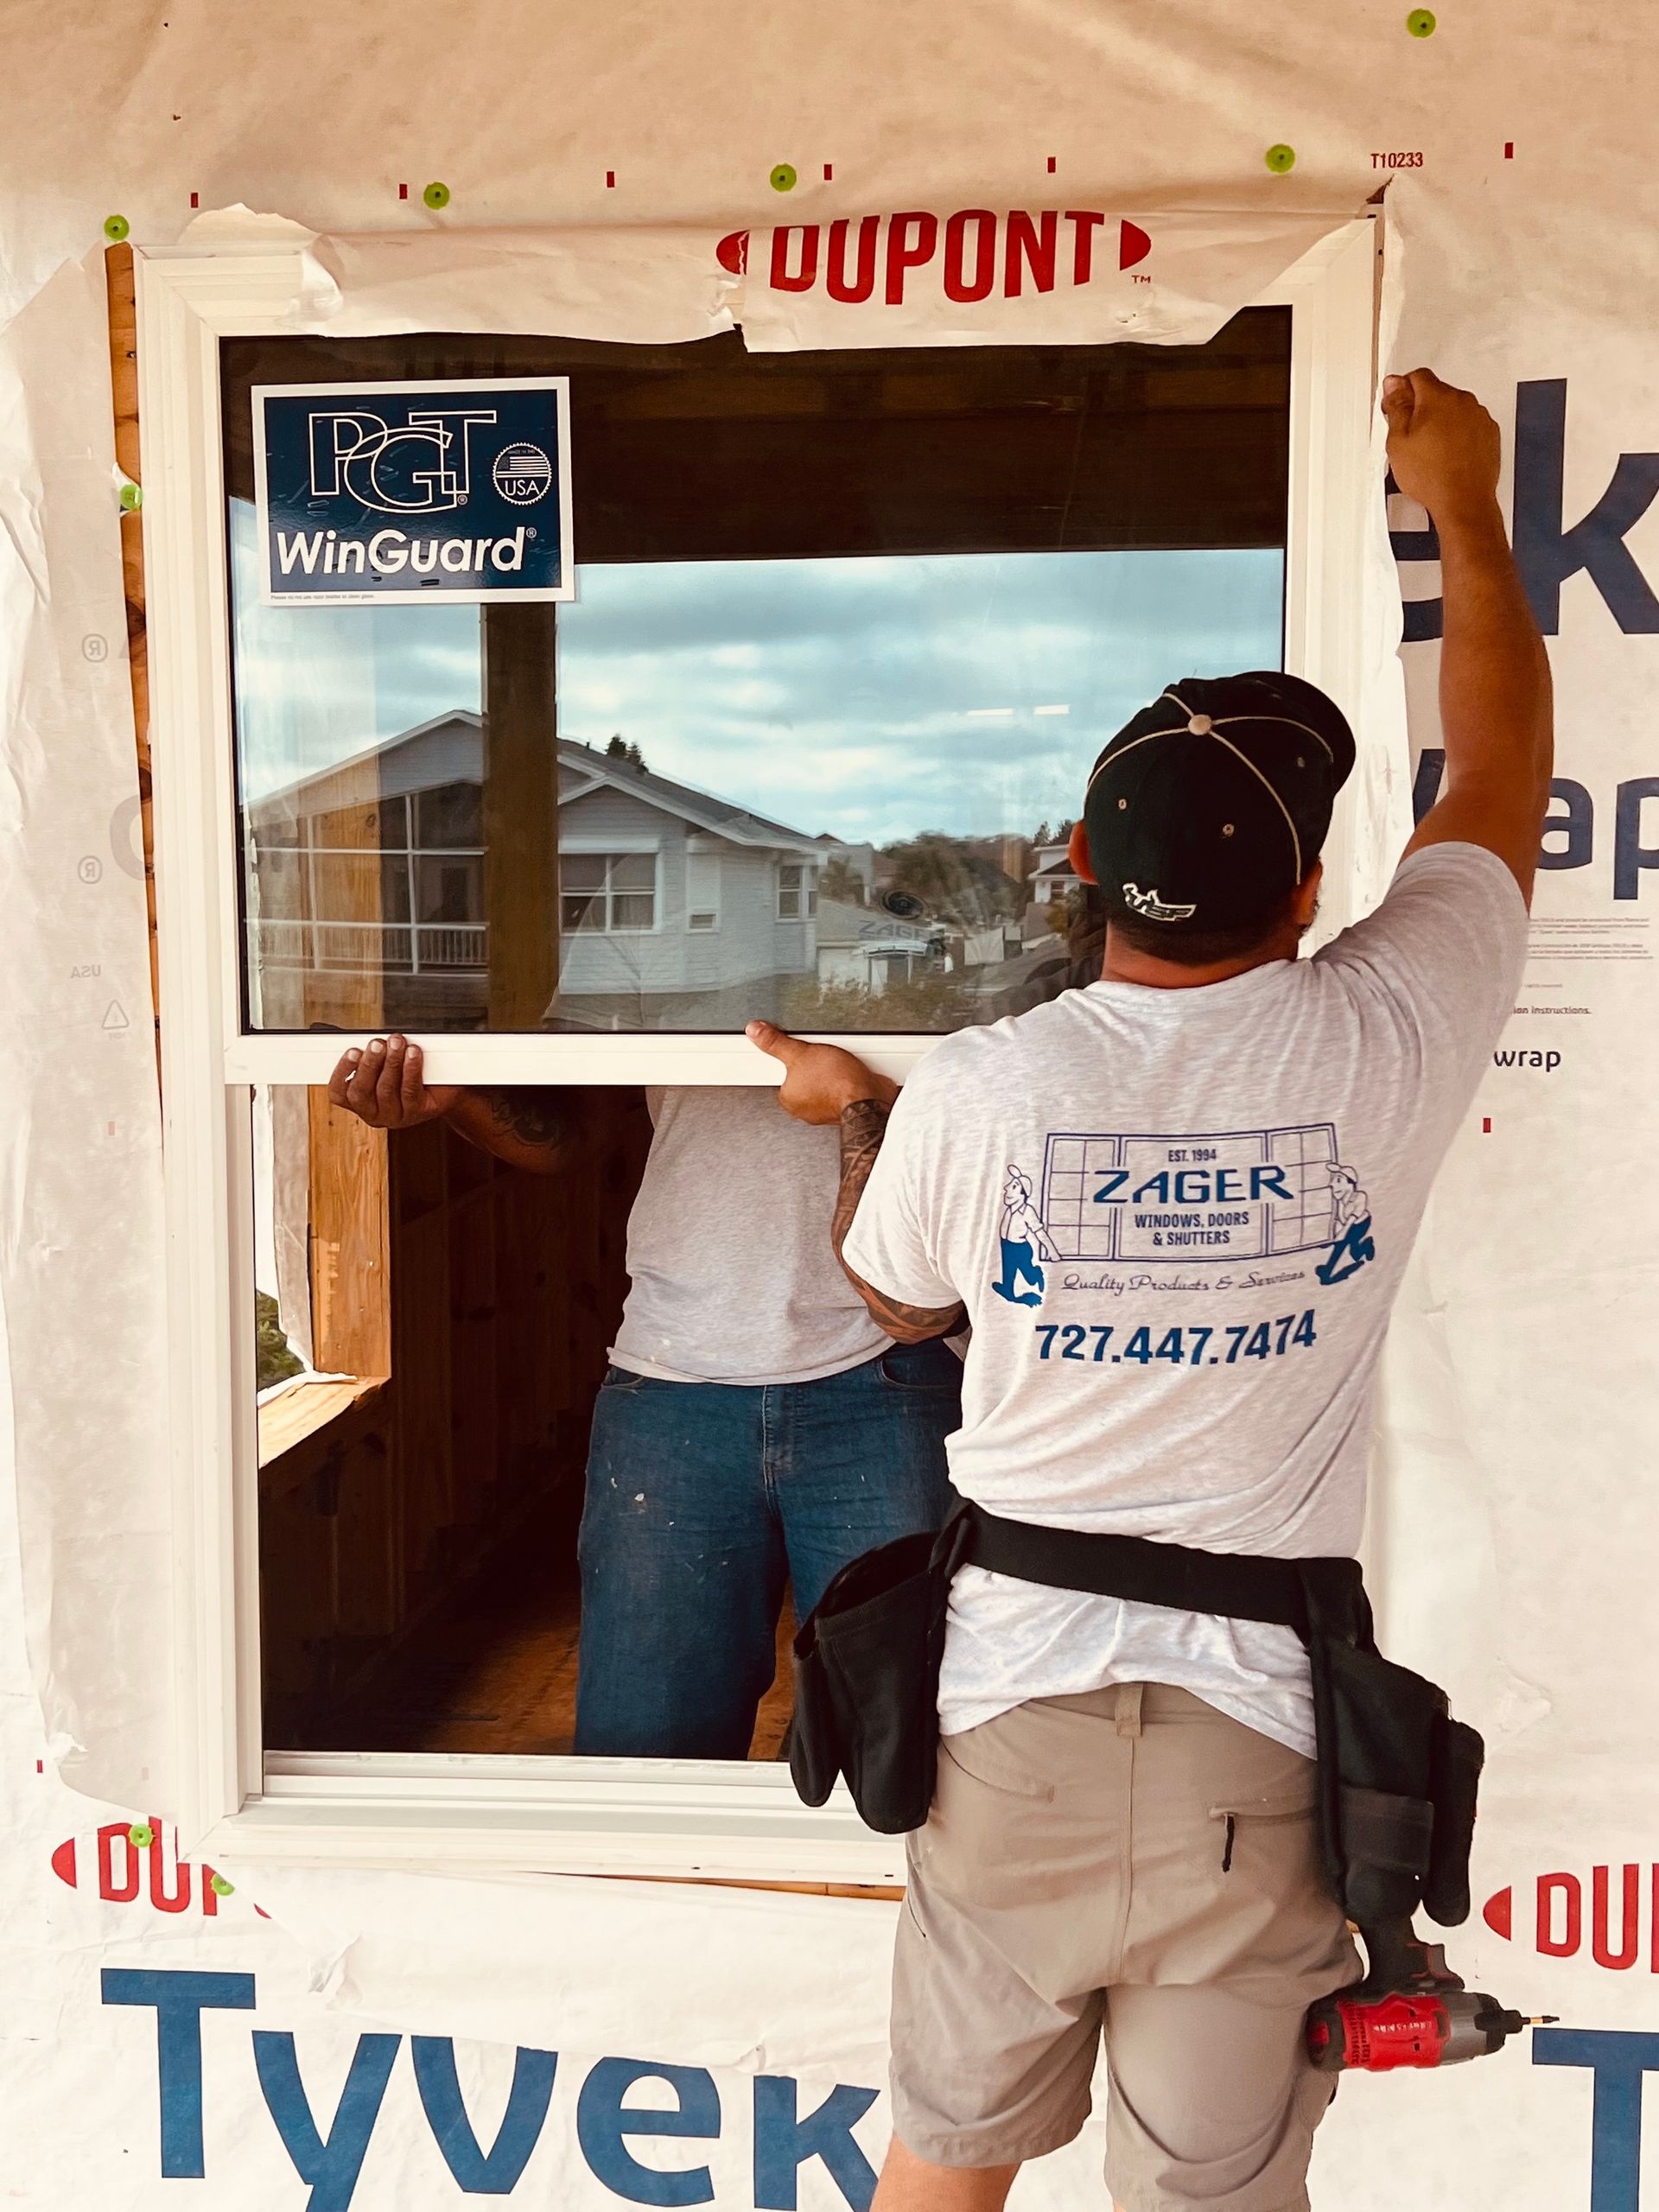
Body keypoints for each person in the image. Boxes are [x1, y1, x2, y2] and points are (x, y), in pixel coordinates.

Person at [749, 367, 1552, 2212]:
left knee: (943, 2172)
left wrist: (862, 1117)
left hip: (1011, 1725)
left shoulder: (989, 1084)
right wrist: (1468, 504)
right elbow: (1501, 779)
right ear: (1315, 886)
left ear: (1086, 871)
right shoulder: (1389, 1028)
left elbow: (899, 1300)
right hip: (1253, 1758)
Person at [324, 1068, 961, 1758]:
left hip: (889, 1368)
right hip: (670, 1383)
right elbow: (572, 1134)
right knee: (643, 1754)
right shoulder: (638, 957)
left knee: (890, 1750)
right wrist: (462, 1100)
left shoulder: (952, 962)